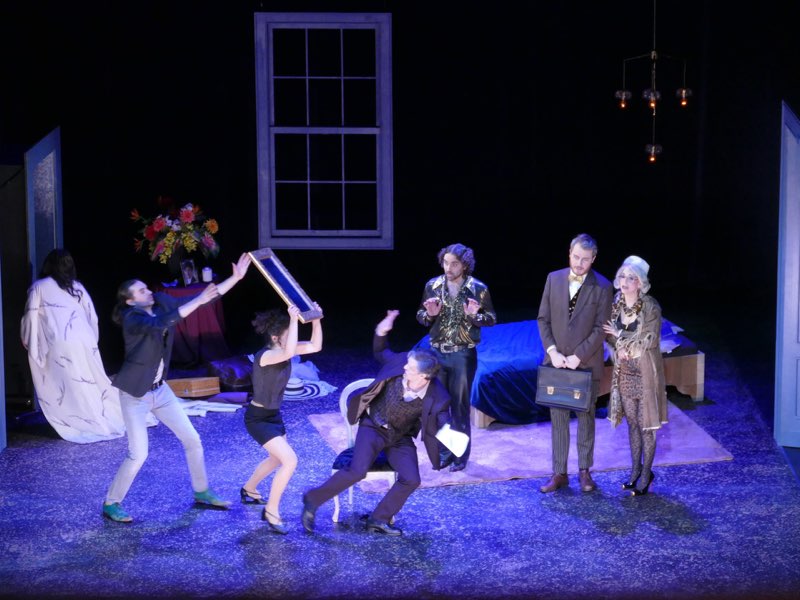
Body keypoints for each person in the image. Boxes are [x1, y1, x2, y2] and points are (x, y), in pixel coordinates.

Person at [102, 253, 251, 523]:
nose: (148, 291)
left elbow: (205, 298)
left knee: (192, 439)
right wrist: (198, 301)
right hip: (135, 394)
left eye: (146, 288)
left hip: (160, 391)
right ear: (130, 300)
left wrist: (236, 278)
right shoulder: (132, 318)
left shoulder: (161, 302)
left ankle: (201, 491)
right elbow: (161, 323)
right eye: (141, 291)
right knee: (138, 454)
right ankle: (112, 502)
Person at [301, 309, 452, 536]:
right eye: (407, 364)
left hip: (400, 436)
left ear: (424, 377)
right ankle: (312, 499)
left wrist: (449, 446)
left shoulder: (438, 395)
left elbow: (444, 421)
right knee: (357, 471)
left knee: (412, 479)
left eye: (410, 368)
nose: (405, 367)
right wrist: (382, 330)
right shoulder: (400, 362)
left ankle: (379, 519)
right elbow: (381, 351)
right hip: (373, 426)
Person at [20, 248, 126, 443]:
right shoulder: (77, 287)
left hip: (61, 341)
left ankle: (81, 420)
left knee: (69, 384)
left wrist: (28, 340)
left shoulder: (39, 287)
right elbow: (93, 316)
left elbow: (31, 316)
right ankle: (96, 416)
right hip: (84, 339)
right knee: (88, 382)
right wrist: (92, 340)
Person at [537, 233, 613, 493]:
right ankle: (559, 473)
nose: (579, 263)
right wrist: (553, 351)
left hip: (585, 363)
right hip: (557, 363)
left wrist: (578, 356)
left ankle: (584, 471)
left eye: (585, 259)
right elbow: (543, 319)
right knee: (558, 419)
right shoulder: (553, 278)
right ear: (569, 253)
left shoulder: (603, 286)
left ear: (594, 259)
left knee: (586, 418)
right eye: (576, 257)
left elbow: (601, 328)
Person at [241, 303, 323, 534]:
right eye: (289, 336)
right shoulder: (265, 356)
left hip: (273, 416)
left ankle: (249, 489)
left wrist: (316, 320)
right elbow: (286, 353)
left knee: (276, 460)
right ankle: (271, 510)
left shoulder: (286, 350)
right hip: (257, 419)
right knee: (289, 460)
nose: (294, 342)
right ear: (276, 338)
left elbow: (316, 346)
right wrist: (294, 319)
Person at [416, 243, 495, 472]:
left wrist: (475, 315)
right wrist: (429, 315)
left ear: (464, 265)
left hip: (462, 354)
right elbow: (421, 315)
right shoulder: (433, 285)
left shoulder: (478, 288)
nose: (448, 268)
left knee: (459, 407)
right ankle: (445, 451)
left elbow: (491, 318)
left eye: (454, 264)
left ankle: (460, 454)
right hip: (437, 353)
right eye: (445, 263)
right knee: (440, 407)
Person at [602, 256, 668, 496]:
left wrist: (621, 339)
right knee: (632, 424)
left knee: (645, 426)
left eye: (631, 278)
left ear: (640, 283)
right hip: (625, 372)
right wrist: (617, 344)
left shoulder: (651, 307)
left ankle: (646, 474)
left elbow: (648, 340)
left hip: (645, 372)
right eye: (622, 276)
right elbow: (608, 333)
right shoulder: (616, 302)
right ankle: (635, 470)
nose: (625, 281)